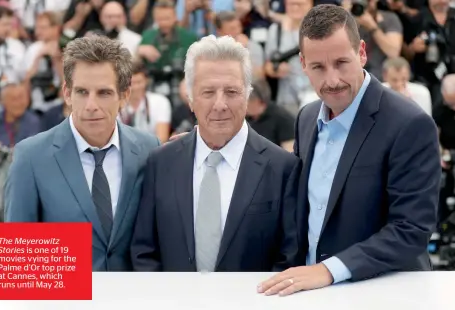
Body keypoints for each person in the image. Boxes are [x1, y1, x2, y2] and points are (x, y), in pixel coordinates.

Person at [257, 4, 440, 296]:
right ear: (303, 64)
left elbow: (411, 231)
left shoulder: (410, 124)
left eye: (341, 62)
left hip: (385, 294)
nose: (331, 80)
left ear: (362, 53)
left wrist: (328, 271)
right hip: (311, 293)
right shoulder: (306, 118)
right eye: (318, 67)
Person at [130, 35, 300, 272]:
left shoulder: (283, 168)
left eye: (231, 91)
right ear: (190, 99)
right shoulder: (161, 163)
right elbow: (144, 252)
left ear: (247, 95)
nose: (220, 104)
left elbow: (288, 258)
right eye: (208, 92)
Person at [4, 35, 160, 271]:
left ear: (124, 95)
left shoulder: (149, 149)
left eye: (104, 93)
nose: (91, 105)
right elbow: (18, 265)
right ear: (67, 93)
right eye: (82, 92)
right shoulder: (30, 157)